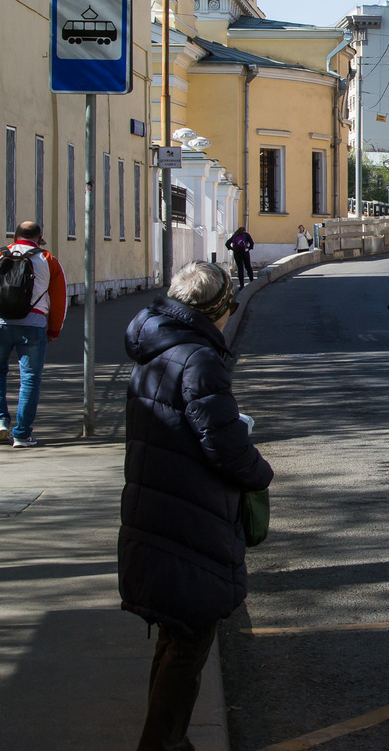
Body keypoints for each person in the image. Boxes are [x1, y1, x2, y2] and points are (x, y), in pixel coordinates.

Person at [119, 261, 272, 751]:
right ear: (215, 309)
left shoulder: (154, 348)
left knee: (174, 636)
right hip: (190, 514)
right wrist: (260, 473)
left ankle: (170, 739)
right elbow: (224, 445)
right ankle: (159, 744)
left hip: (156, 505)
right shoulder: (199, 360)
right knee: (188, 645)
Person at [0, 220, 66, 448]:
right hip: (33, 325)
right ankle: (22, 434)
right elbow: (59, 300)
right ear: (39, 239)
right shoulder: (48, 261)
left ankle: (0, 422)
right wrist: (54, 329)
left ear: (14, 238)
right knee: (29, 378)